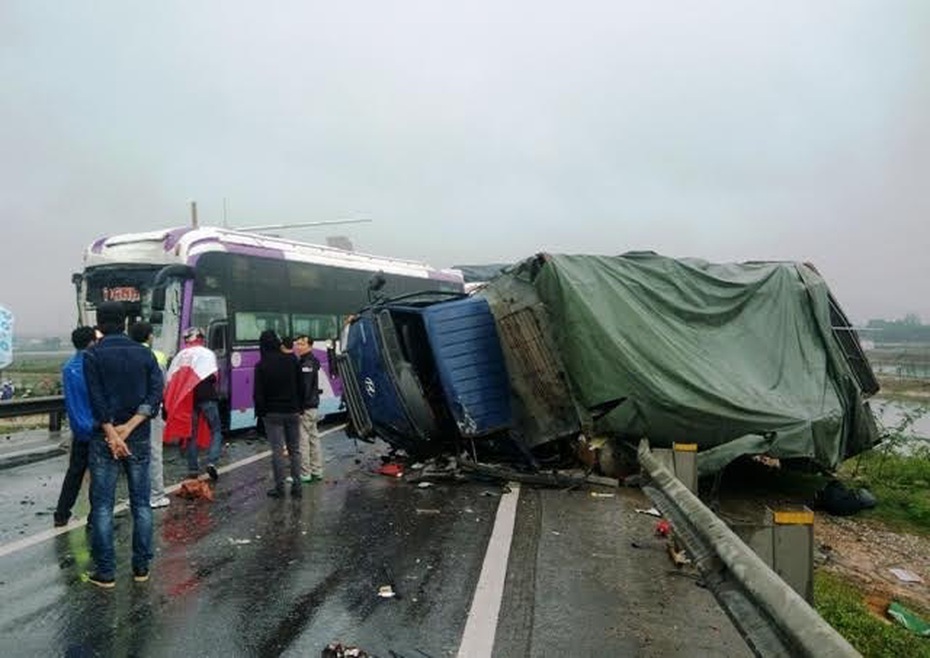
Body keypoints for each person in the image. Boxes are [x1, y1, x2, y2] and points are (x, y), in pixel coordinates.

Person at [83, 301, 163, 588]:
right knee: (141, 504)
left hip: (104, 438)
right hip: (138, 437)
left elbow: (96, 398)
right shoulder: (145, 354)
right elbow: (156, 395)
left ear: (99, 325)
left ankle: (106, 573)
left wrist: (113, 434)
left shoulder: (92, 355)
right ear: (126, 322)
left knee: (103, 506)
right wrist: (129, 428)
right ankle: (141, 568)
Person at [164, 327, 223, 481]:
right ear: (202, 338)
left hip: (188, 400)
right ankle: (212, 461)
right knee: (216, 429)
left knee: (191, 434)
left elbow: (171, 381)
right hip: (207, 397)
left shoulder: (180, 355)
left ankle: (192, 469)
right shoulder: (207, 353)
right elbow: (214, 376)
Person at [53, 326, 98, 527]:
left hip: (78, 428)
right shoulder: (93, 365)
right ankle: (95, 517)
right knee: (98, 475)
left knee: (75, 473)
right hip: (96, 426)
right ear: (91, 342)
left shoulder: (68, 367)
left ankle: (61, 514)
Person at [253, 330, 304, 498]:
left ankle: (280, 488)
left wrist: (261, 414)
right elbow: (300, 386)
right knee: (295, 450)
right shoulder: (292, 360)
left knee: (277, 451)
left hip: (272, 413)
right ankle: (297, 486)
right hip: (292, 410)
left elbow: (258, 394)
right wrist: (300, 407)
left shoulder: (261, 365)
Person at [129, 321, 170, 509]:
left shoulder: (125, 354)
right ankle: (156, 495)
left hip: (129, 412)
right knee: (154, 452)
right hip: (151, 411)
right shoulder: (157, 356)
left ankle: (136, 494)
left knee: (133, 453)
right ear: (149, 336)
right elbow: (163, 385)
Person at [294, 334, 323, 483]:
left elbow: (305, 388)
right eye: (297, 344)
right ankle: (317, 470)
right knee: (313, 438)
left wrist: (299, 408)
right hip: (312, 405)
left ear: (310, 346)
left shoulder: (306, 363)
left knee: (303, 441)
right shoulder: (309, 361)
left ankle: (305, 473)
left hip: (306, 407)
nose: (298, 346)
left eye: (302, 344)